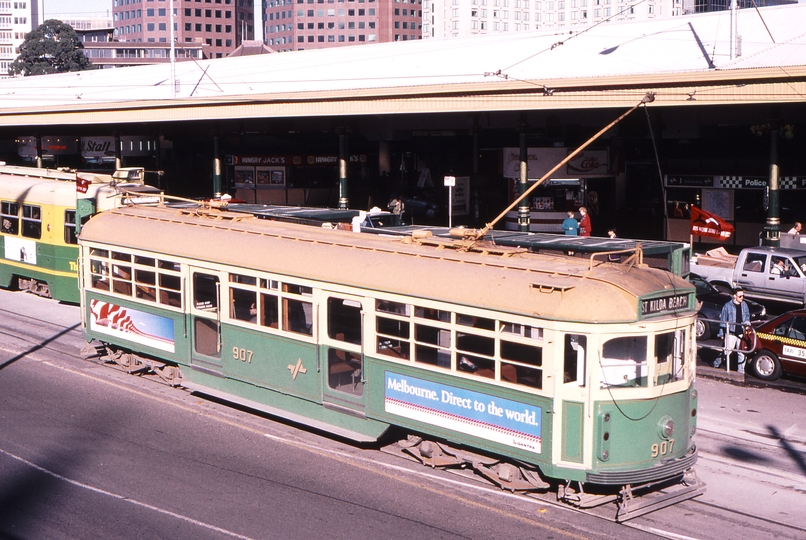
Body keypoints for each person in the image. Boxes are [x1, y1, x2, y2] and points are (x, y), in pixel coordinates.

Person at [715, 287, 750, 374]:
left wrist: (747, 324)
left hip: (741, 332)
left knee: (741, 352)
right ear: (734, 296)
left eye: (743, 296)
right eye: (740, 296)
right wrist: (721, 334)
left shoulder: (744, 305)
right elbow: (723, 321)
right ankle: (716, 363)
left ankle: (741, 371)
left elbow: (747, 316)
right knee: (727, 351)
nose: (742, 298)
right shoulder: (727, 306)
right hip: (731, 332)